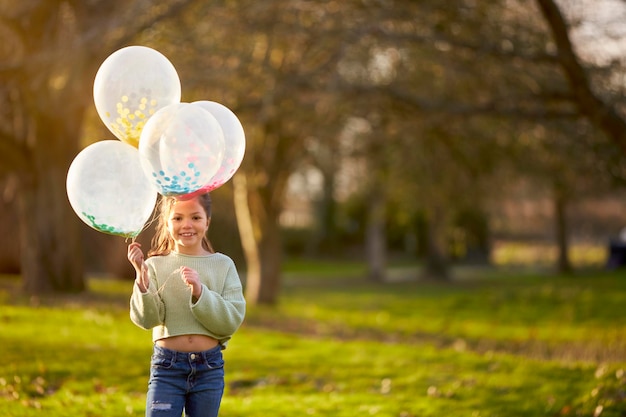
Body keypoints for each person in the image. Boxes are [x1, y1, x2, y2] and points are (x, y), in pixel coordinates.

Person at [127, 192, 246, 417]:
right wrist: (141, 279)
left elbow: (230, 321)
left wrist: (200, 293)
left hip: (208, 369)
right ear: (167, 222)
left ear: (207, 221)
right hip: (167, 369)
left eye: (195, 217)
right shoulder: (154, 265)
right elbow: (147, 320)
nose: (187, 225)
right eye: (178, 218)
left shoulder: (223, 265)